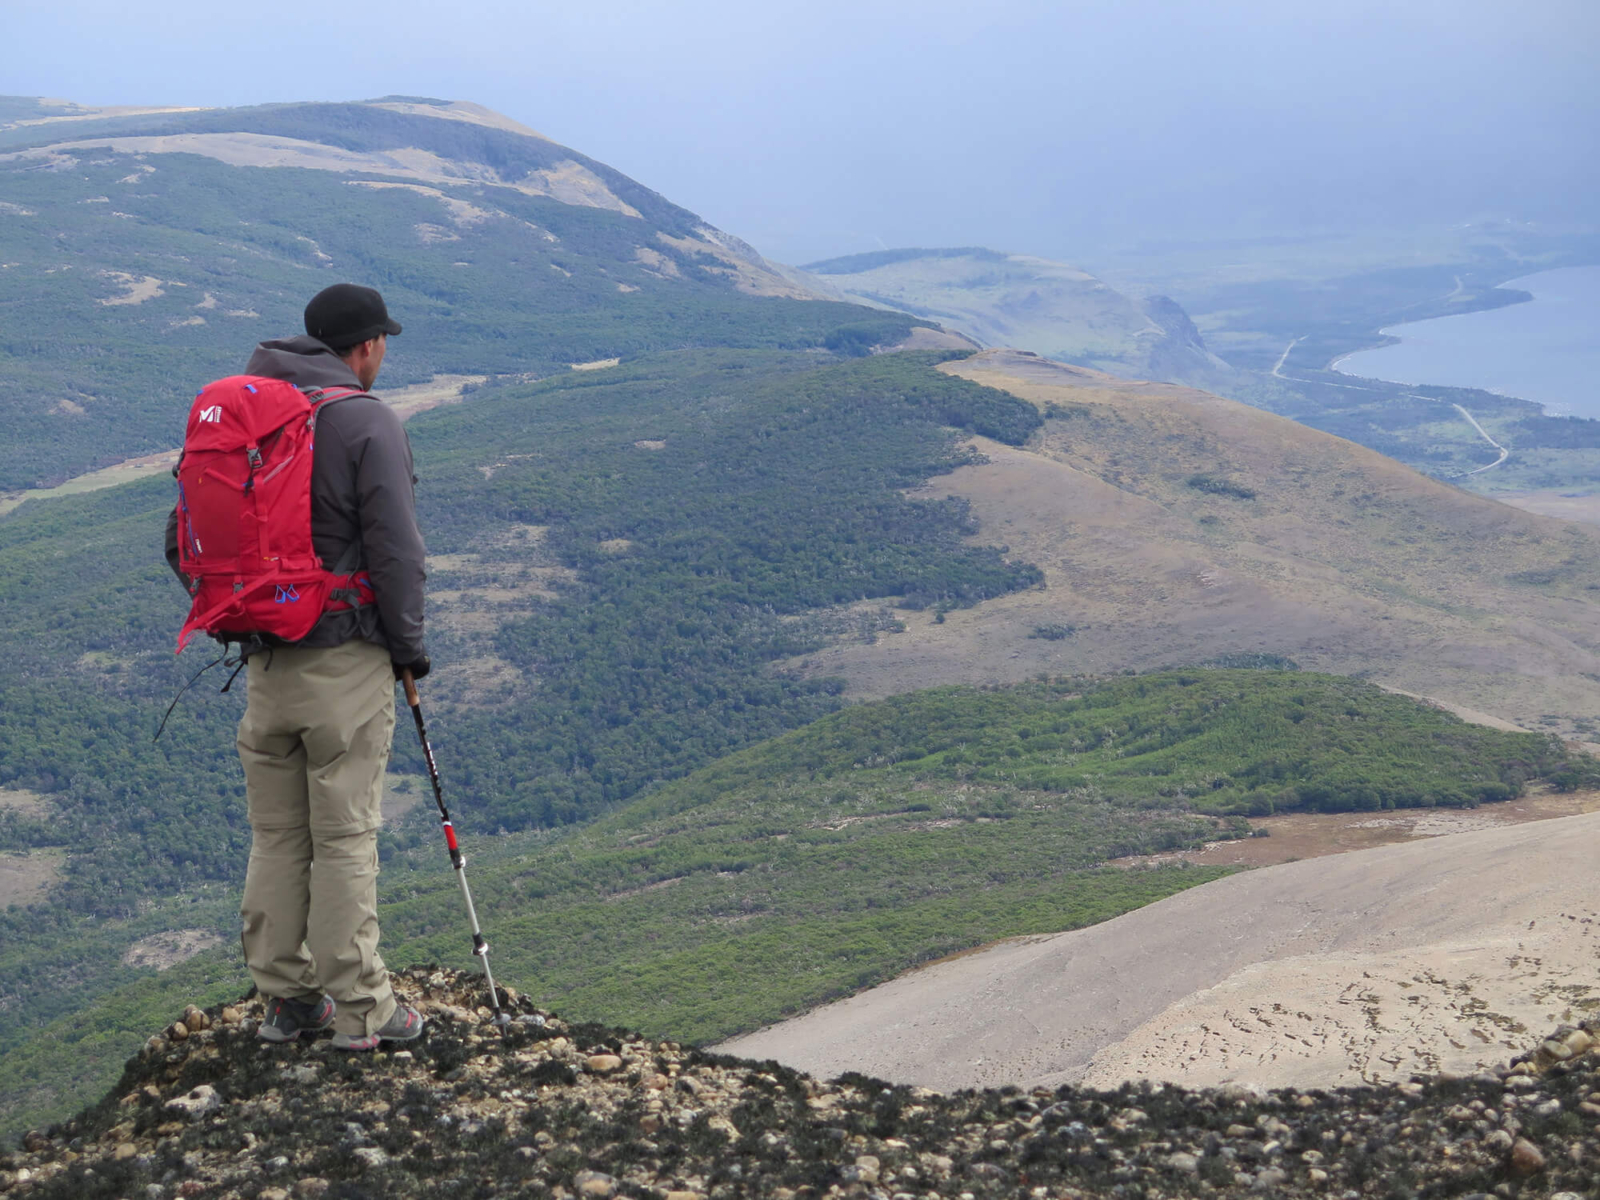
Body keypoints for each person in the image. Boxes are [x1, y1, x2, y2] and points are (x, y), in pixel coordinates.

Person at [165, 283, 430, 1049]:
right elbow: (397, 551)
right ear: (368, 347)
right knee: (345, 838)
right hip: (344, 664)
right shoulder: (365, 420)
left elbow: (180, 543)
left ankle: (287, 1001)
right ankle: (364, 1011)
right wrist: (408, 650)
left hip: (264, 666)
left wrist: (247, 614)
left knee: (278, 837)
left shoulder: (246, 418)